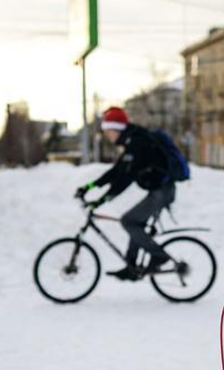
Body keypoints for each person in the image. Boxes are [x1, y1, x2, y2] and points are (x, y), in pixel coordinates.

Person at [75, 107, 175, 280]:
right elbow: (116, 171)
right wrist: (89, 186)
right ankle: (132, 266)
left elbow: (125, 179)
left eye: (108, 131)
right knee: (135, 222)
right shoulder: (131, 142)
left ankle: (159, 256)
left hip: (163, 191)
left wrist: (101, 200)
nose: (107, 135)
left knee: (129, 221)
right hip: (158, 190)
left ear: (116, 129)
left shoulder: (137, 144)